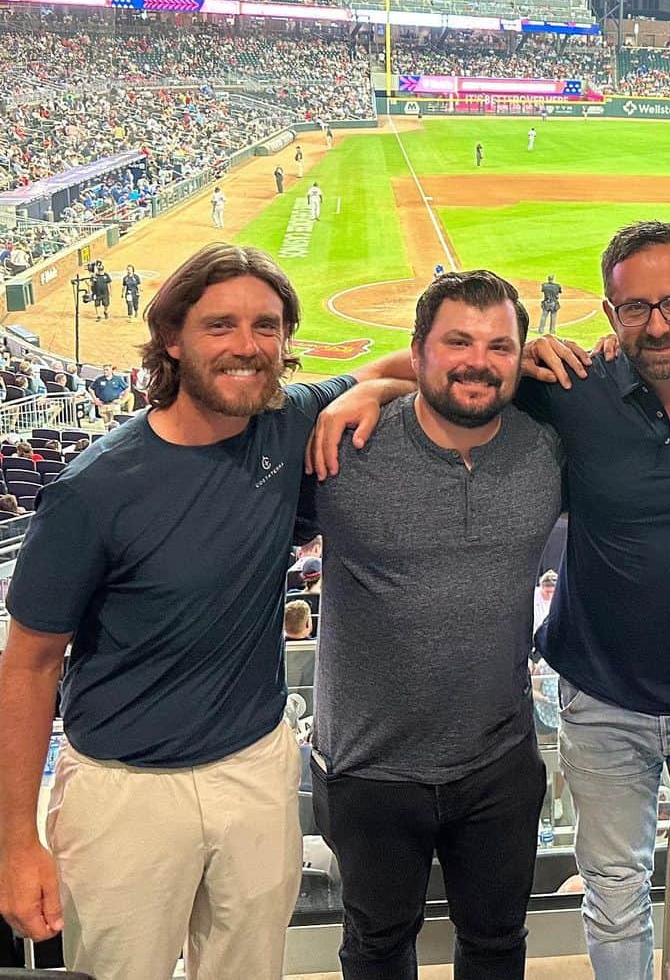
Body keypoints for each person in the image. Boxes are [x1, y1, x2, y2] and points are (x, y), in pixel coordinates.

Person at [310, 222, 670, 980]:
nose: (658, 323)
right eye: (634, 307)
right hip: (598, 699)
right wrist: (372, 385)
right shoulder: (572, 392)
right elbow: (465, 378)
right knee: (612, 895)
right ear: (609, 316)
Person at [0, 243, 391, 980]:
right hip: (124, 796)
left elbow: (399, 371)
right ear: (173, 340)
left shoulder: (285, 420)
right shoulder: (94, 491)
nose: (248, 346)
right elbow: (28, 664)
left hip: (255, 773)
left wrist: (360, 395)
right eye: (221, 326)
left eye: (266, 327)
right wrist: (15, 842)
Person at [306, 270, 563, 979]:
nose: (478, 361)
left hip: (498, 764)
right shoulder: (342, 449)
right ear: (418, 350)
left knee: (497, 945)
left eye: (499, 346)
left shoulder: (547, 450)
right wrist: (367, 385)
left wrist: (379, 382)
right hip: (368, 770)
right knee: (377, 949)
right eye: (457, 341)